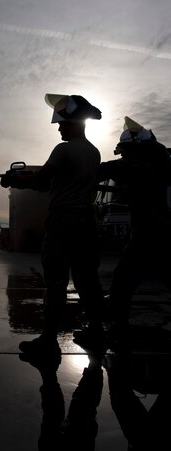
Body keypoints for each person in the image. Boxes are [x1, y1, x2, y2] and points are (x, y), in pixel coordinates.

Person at [0, 93, 105, 357]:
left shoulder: (64, 150)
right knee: (87, 281)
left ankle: (48, 341)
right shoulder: (94, 152)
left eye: (62, 124)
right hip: (86, 223)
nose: (59, 128)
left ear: (73, 122)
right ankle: (96, 331)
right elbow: (53, 180)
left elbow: (41, 181)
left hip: (63, 222)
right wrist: (25, 177)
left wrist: (14, 180)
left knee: (56, 282)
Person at [98, 116, 171, 347]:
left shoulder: (142, 165)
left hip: (152, 234)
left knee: (122, 280)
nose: (124, 156)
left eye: (126, 151)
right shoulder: (161, 163)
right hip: (157, 234)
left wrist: (74, 170)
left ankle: (118, 329)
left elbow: (111, 169)